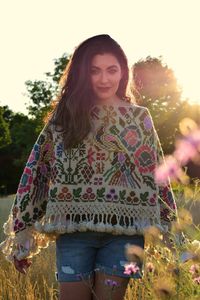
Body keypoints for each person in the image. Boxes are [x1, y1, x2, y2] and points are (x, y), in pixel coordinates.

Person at [0, 34, 178, 300]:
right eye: (95, 71)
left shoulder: (139, 119)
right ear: (83, 74)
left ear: (123, 72)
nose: (104, 79)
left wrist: (172, 233)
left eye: (111, 70)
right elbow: (37, 170)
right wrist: (23, 235)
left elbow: (156, 176)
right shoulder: (66, 116)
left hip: (124, 235)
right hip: (75, 234)